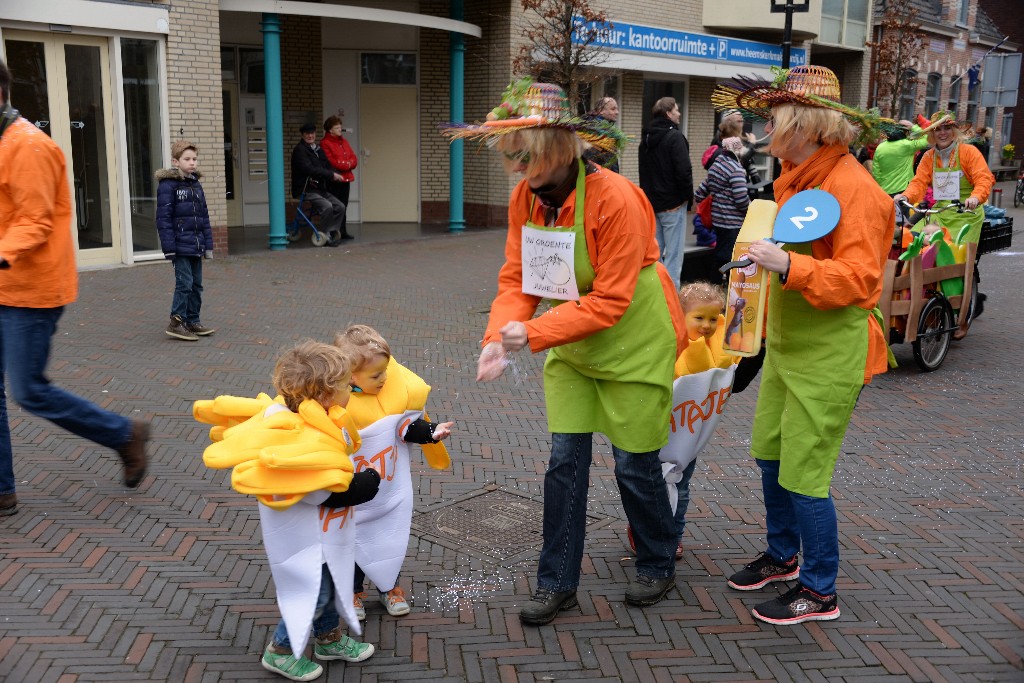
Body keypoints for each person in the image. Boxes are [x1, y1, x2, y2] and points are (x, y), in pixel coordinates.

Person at [442, 79, 688, 625]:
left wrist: (531, 334)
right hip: (572, 348)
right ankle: (556, 582)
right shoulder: (525, 198)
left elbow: (612, 301)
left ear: (557, 146)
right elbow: (518, 277)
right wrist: (496, 338)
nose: (515, 168)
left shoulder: (618, 199)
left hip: (633, 344)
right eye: (512, 156)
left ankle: (657, 557)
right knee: (563, 465)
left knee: (634, 464)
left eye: (523, 155)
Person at [712, 65, 895, 625]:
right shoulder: (797, 175)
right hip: (789, 349)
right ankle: (784, 555)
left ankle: (819, 590)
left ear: (806, 123)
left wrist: (788, 264)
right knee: (770, 453)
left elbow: (862, 280)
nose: (768, 128)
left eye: (776, 118)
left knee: (805, 472)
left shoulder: (852, 187)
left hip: (829, 353)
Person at [0, 58, 149, 516]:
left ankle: (124, 434)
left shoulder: (27, 145)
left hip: (31, 290)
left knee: (29, 391)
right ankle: (3, 490)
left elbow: (35, 220)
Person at [194, 340, 379, 681]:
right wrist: (365, 485)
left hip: (326, 533)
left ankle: (327, 639)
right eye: (344, 385)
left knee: (328, 586)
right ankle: (279, 651)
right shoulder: (294, 435)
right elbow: (318, 491)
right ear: (324, 395)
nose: (350, 389)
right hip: (306, 537)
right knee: (315, 592)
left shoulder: (320, 417)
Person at [334, 324, 453, 621]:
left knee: (390, 539)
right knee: (354, 544)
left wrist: (431, 432)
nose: (385, 379)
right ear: (350, 376)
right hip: (355, 493)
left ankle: (390, 588)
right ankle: (353, 592)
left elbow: (405, 428)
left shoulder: (391, 398)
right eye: (376, 375)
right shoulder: (338, 405)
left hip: (388, 493)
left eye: (386, 371)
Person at [625, 281, 739, 558]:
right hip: (657, 432)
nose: (707, 325)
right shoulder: (665, 344)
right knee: (649, 486)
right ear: (680, 316)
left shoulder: (717, 352)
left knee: (681, 485)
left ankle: (673, 534)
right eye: (699, 317)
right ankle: (642, 529)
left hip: (687, 436)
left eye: (713, 319)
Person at [894, 110, 994, 326]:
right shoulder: (928, 157)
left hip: (966, 213)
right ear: (931, 134)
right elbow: (919, 182)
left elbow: (984, 179)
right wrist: (905, 196)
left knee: (954, 259)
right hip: (940, 211)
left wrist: (976, 198)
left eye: (947, 127)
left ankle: (962, 314)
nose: (943, 133)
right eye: (938, 129)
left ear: (955, 130)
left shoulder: (968, 152)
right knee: (915, 244)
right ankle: (923, 298)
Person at [156, 140, 216, 341]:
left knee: (197, 284)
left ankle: (192, 320)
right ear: (175, 161)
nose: (192, 163)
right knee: (185, 283)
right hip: (180, 246)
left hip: (196, 245)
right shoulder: (168, 185)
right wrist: (169, 248)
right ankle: (176, 322)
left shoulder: (195, 185)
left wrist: (208, 245)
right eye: (187, 159)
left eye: (194, 159)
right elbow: (163, 219)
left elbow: (204, 218)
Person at [639, 96, 694, 288]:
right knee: (674, 256)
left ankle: (655, 295)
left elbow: (643, 172)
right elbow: (684, 171)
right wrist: (688, 197)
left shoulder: (645, 140)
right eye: (677, 110)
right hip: (673, 204)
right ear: (669, 113)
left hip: (653, 205)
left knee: (655, 254)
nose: (679, 113)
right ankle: (671, 303)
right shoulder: (675, 138)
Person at [694, 136, 751, 276]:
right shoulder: (736, 169)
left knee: (721, 251)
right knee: (727, 256)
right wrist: (751, 212)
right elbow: (741, 199)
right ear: (736, 151)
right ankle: (719, 281)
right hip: (733, 222)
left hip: (718, 220)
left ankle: (717, 280)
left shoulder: (715, 167)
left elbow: (699, 193)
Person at [291, 122, 346, 247]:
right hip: (306, 189)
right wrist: (331, 175)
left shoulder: (317, 149)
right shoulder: (300, 150)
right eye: (307, 134)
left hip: (319, 188)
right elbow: (309, 169)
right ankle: (325, 234)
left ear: (315, 134)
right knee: (327, 206)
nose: (310, 136)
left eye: (312, 133)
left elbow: (327, 165)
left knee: (340, 206)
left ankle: (331, 231)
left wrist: (337, 174)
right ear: (302, 135)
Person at [320, 115, 357, 240]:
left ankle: (342, 230)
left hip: (345, 179)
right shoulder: (325, 143)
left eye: (340, 127)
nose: (340, 129)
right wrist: (347, 164)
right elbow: (331, 162)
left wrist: (347, 164)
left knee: (344, 205)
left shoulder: (344, 141)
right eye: (337, 127)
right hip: (334, 180)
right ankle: (332, 231)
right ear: (330, 130)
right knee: (336, 206)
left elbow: (354, 158)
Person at [871, 119, 930, 196]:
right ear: (905, 132)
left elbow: (876, 172)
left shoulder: (880, 147)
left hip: (884, 191)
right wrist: (913, 126)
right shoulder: (907, 145)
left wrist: (881, 185)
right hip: (903, 191)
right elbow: (927, 139)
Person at [583, 97, 621, 172]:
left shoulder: (606, 129)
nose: (617, 112)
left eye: (616, 109)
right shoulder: (595, 130)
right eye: (613, 109)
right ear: (601, 111)